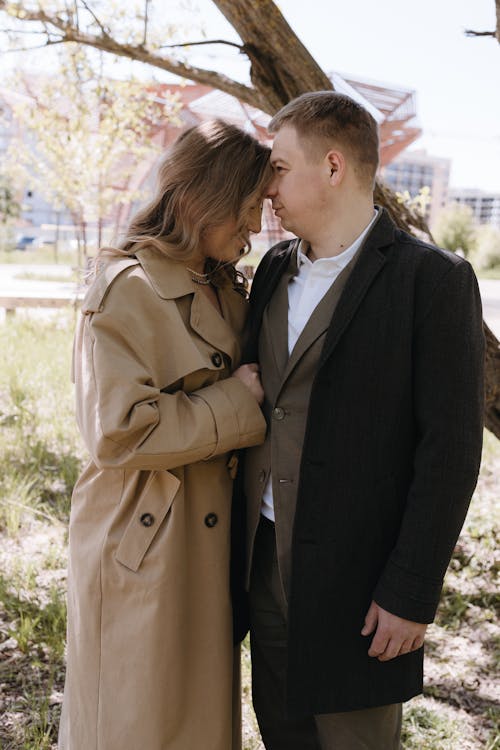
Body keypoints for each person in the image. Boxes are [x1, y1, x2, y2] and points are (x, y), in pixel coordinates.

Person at [239, 92, 484, 750]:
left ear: (333, 165)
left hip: (364, 588)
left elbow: (452, 452)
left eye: (280, 168)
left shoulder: (432, 280)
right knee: (282, 737)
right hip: (264, 569)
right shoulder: (270, 270)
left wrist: (412, 589)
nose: (268, 188)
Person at [58, 119, 271, 750]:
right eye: (248, 209)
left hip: (207, 551)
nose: (256, 228)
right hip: (141, 547)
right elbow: (119, 433)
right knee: (133, 724)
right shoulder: (127, 289)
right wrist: (235, 402)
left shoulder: (228, 288)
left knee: (194, 725)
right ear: (207, 197)